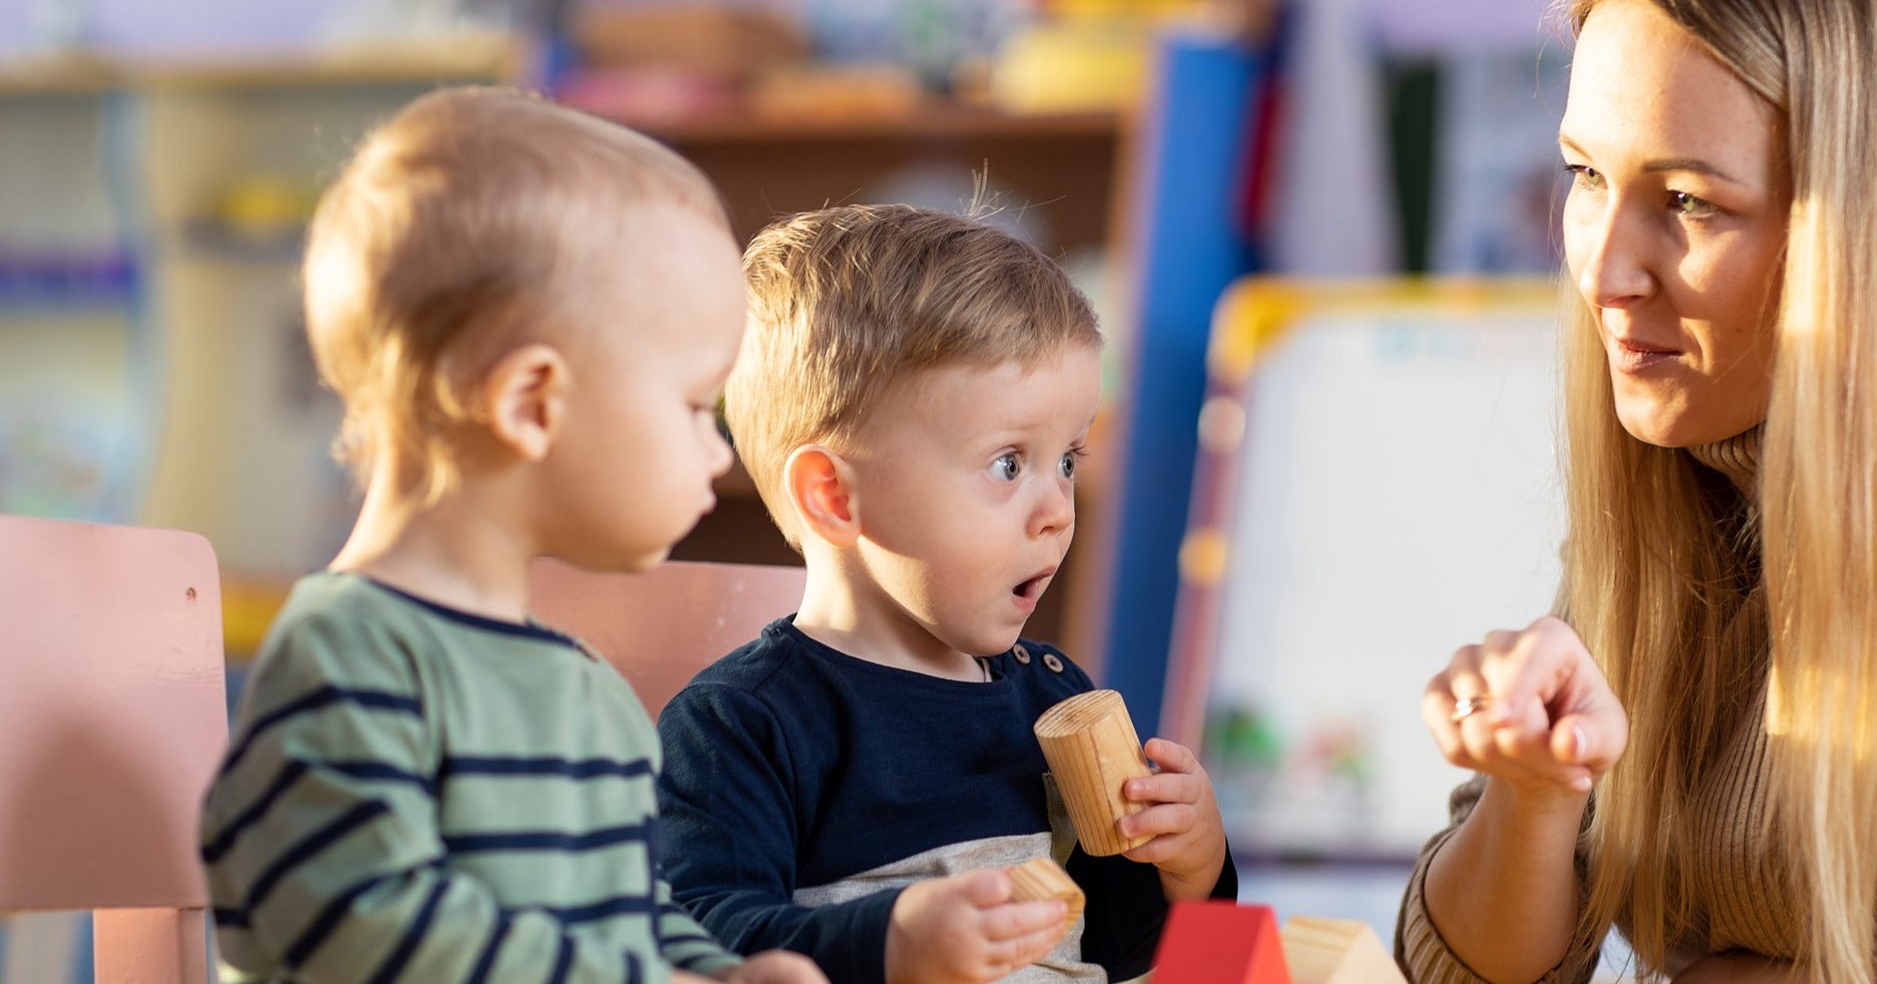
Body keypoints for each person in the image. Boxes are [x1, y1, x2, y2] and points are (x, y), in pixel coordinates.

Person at [1397, 0, 1877, 984]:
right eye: (1585, 176)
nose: (1604, 273)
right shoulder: (1689, 451)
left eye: (1686, 202)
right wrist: (1533, 797)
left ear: (1864, 220)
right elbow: (1468, 972)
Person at [199, 88, 825, 984]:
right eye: (695, 404)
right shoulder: (351, 654)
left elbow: (629, 916)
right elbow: (368, 931)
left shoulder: (581, 687)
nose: (719, 453)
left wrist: (722, 972)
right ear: (531, 402)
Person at [653, 204, 1237, 984]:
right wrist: (893, 942)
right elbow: (699, 936)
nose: (1058, 508)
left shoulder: (1049, 694)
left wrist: (1190, 867)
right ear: (834, 495)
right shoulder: (744, 724)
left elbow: (1112, 949)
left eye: (1066, 459)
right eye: (1007, 464)